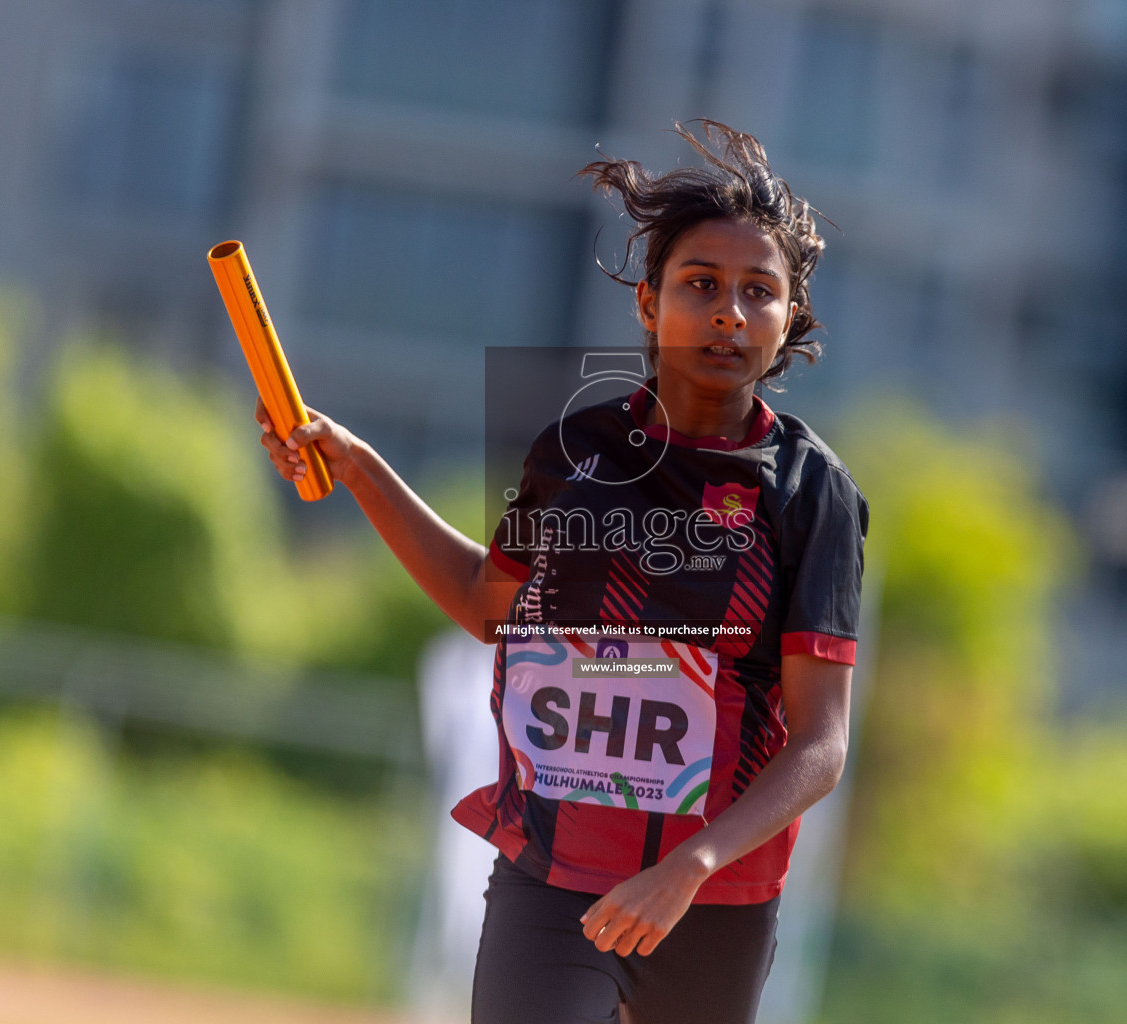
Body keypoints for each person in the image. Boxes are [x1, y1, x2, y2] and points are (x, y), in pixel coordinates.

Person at [257, 121, 867, 1024]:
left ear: (789, 323)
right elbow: (487, 605)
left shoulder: (811, 491)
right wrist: (359, 468)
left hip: (712, 902)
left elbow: (821, 745)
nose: (730, 311)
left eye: (759, 292)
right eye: (701, 284)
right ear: (649, 304)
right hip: (552, 877)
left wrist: (692, 865)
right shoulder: (575, 451)